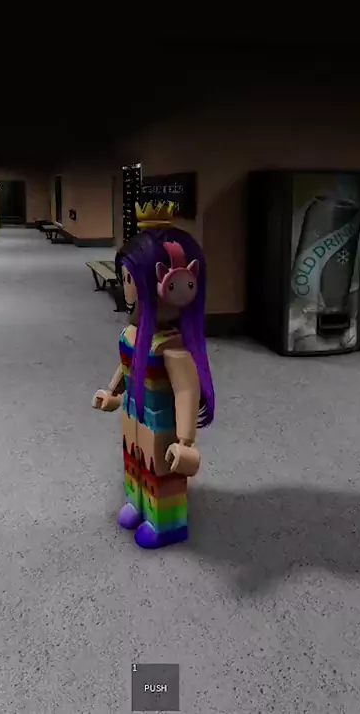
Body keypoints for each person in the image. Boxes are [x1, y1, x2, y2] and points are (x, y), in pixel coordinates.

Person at [92, 203, 215, 549]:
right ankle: (136, 504)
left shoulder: (172, 348)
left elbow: (187, 391)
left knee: (161, 471)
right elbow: (127, 365)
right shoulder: (135, 334)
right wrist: (113, 392)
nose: (124, 286)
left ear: (172, 284)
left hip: (161, 421)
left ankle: (165, 524)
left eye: (128, 279)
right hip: (134, 412)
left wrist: (186, 442)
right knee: (134, 462)